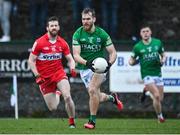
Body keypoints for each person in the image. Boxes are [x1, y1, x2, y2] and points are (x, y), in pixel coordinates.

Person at [72, 8, 123, 129]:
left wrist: (109, 64)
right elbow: (76, 55)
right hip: (85, 68)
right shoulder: (77, 34)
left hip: (99, 68)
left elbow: (113, 52)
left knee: (92, 90)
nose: (85, 21)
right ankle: (112, 98)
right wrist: (87, 63)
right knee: (97, 96)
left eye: (88, 19)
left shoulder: (102, 34)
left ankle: (92, 121)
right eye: (83, 19)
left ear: (94, 19)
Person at [28, 16, 77, 128]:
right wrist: (37, 76)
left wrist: (72, 68)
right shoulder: (39, 42)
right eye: (52, 26)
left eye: (56, 25)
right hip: (45, 78)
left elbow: (70, 59)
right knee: (53, 108)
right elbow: (31, 61)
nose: (54, 27)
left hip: (59, 74)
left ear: (58, 27)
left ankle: (72, 123)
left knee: (68, 97)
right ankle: (58, 93)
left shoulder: (63, 43)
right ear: (47, 28)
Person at [128, 25, 166, 123]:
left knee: (159, 99)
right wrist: (133, 62)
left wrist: (163, 60)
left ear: (150, 32)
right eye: (143, 31)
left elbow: (163, 55)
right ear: (140, 34)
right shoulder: (138, 47)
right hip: (146, 74)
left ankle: (147, 91)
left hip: (157, 73)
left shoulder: (157, 43)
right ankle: (160, 117)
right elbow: (131, 60)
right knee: (156, 96)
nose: (145, 33)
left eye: (147, 31)